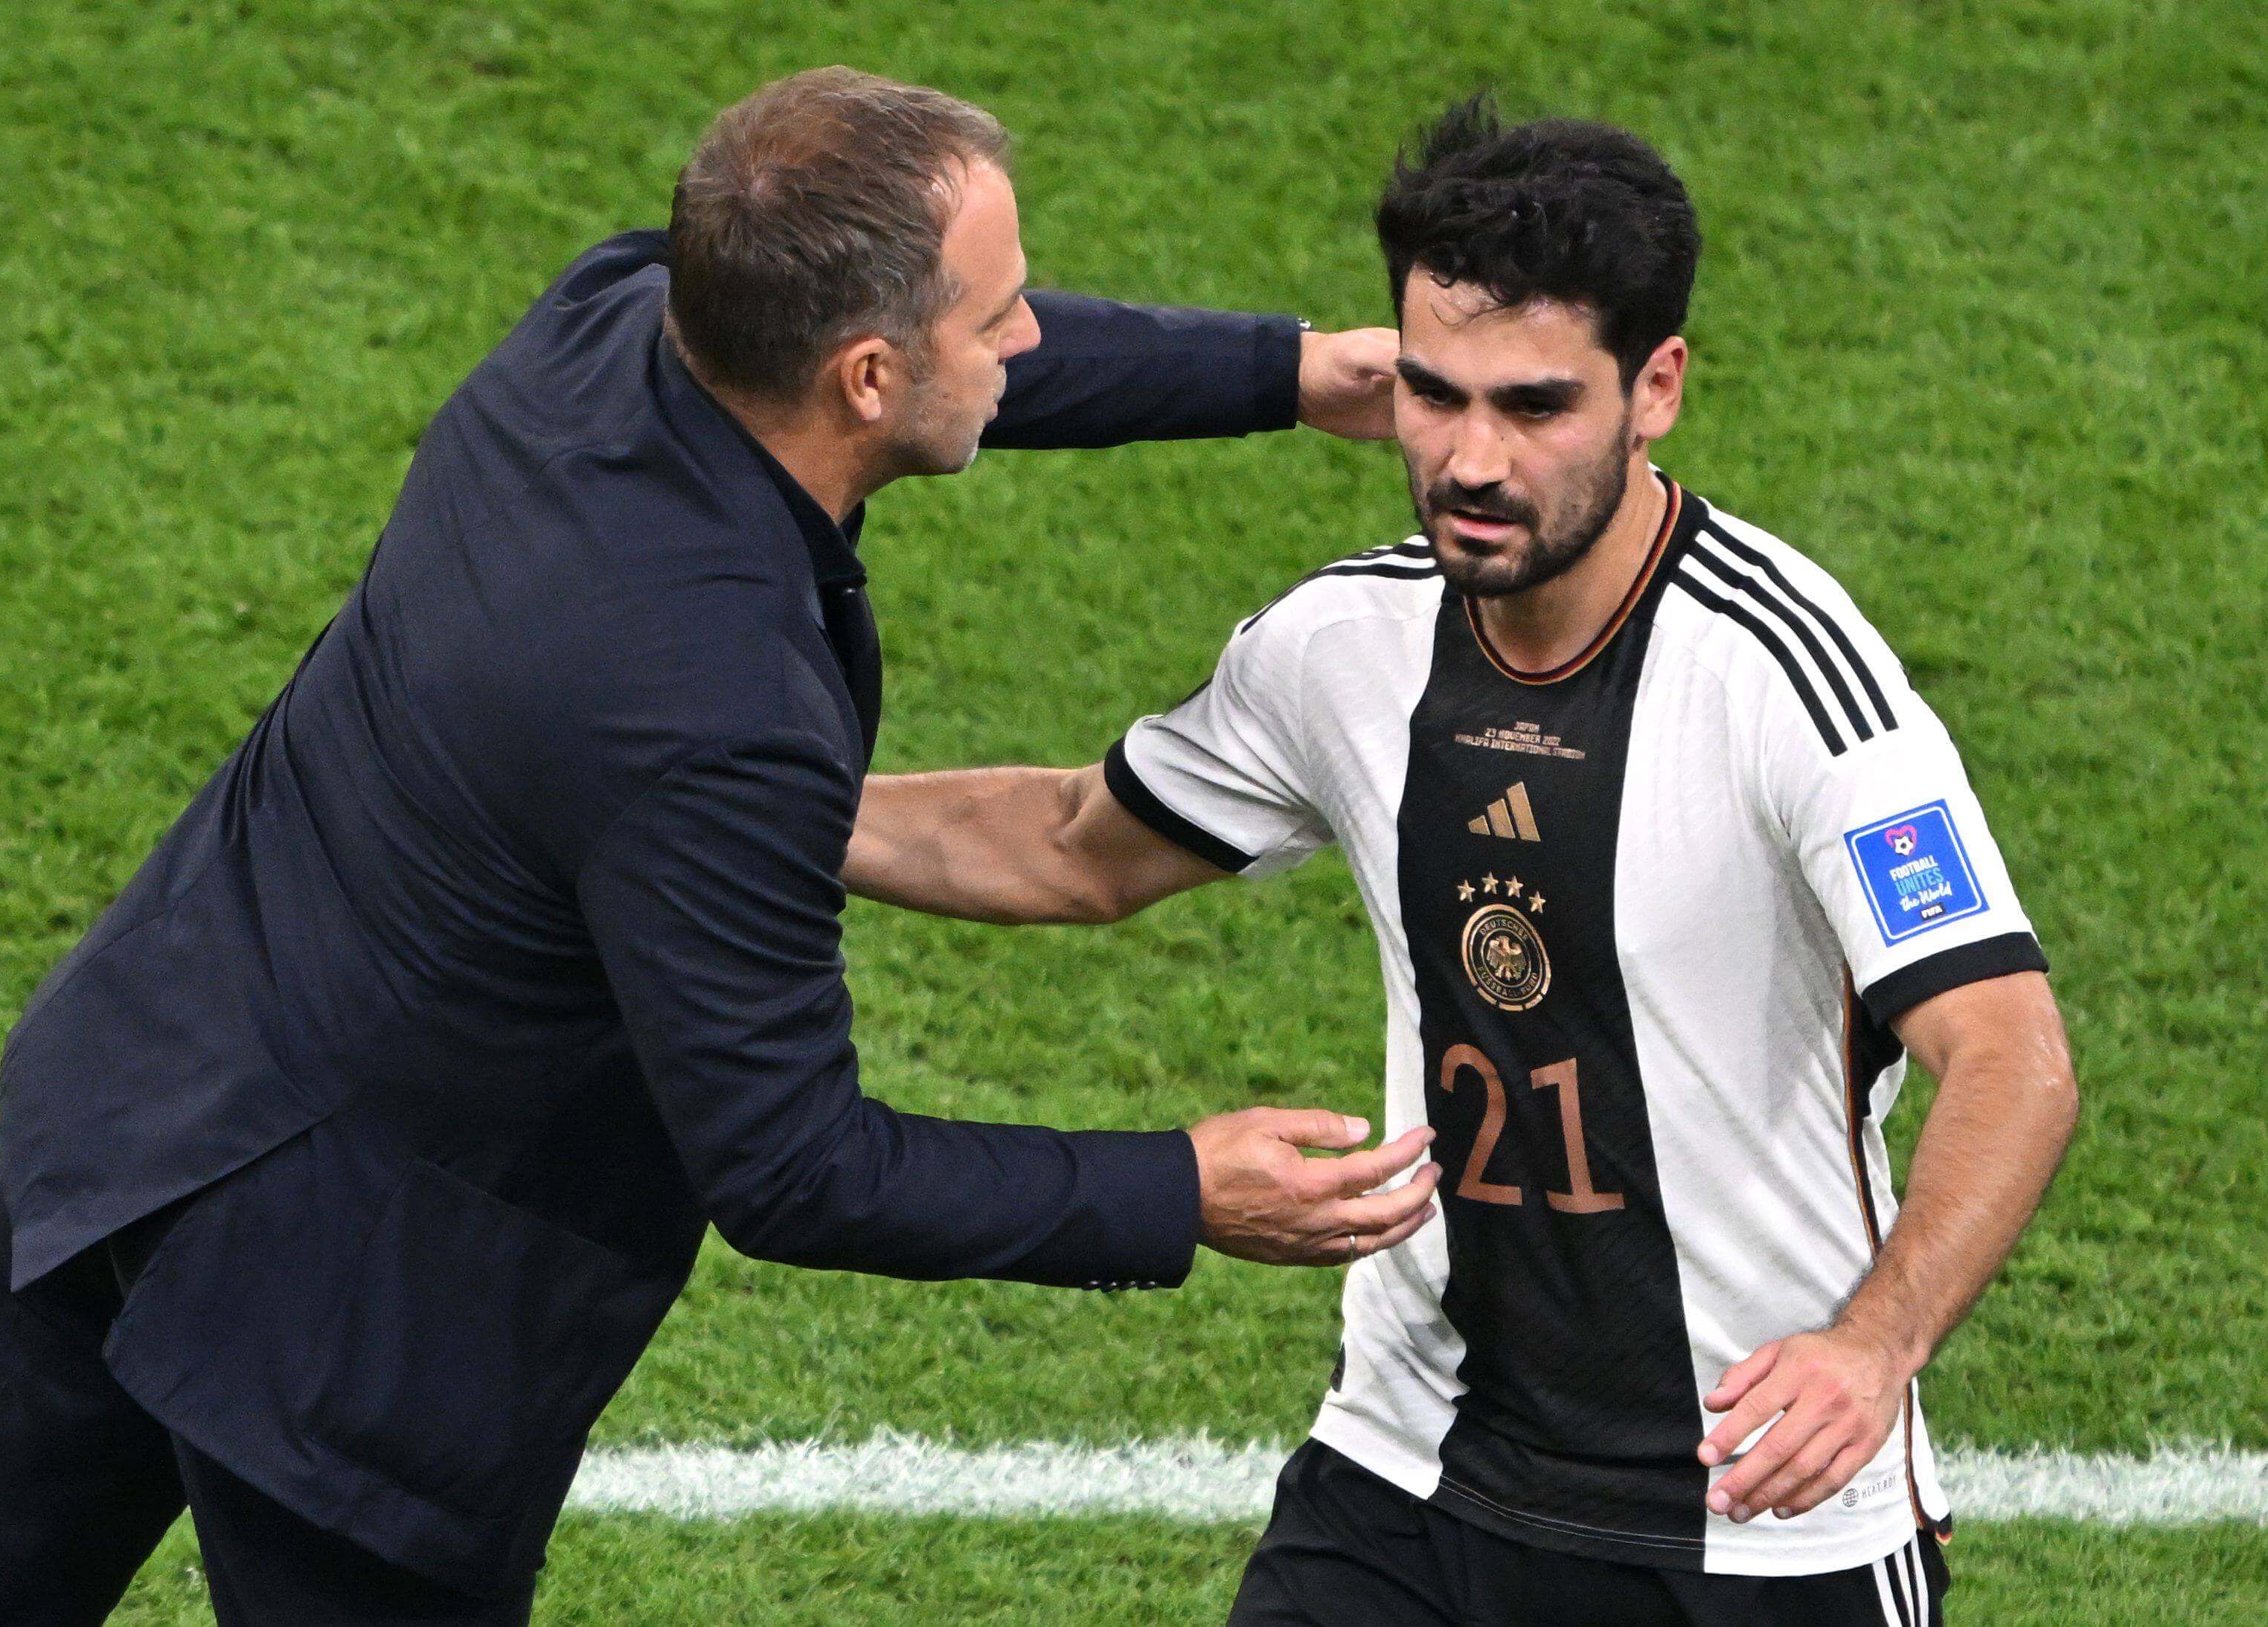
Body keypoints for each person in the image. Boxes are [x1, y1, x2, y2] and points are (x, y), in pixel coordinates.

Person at [0, 68, 1438, 1626]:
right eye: (999, 312)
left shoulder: (611, 320)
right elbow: (797, 1168)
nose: (1030, 335)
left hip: (130, 1104)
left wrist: (1291, 373)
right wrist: (1174, 1188)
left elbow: (947, 358)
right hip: (343, 1328)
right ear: (866, 378)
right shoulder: (715, 714)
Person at [843, 96, 2080, 1626]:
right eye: (1434, 394)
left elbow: (2011, 1054)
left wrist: (1874, 1344)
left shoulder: (1787, 677)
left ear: (1656, 388)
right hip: (1408, 1468)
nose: (1471, 460)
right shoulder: (1343, 646)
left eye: (1535, 406)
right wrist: (724, 812)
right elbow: (1068, 845)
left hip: (1753, 1513)